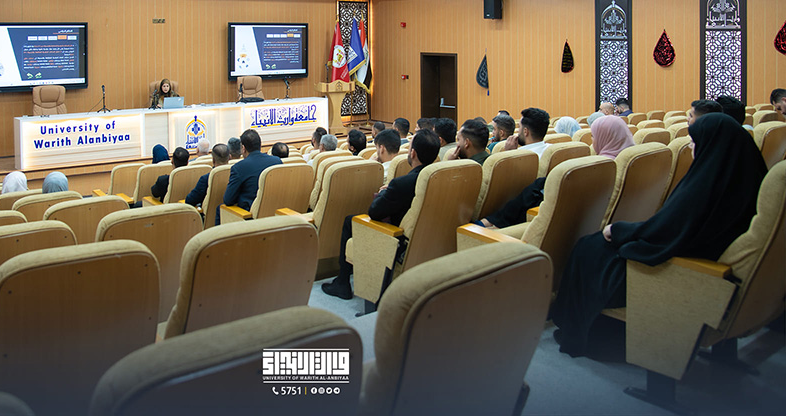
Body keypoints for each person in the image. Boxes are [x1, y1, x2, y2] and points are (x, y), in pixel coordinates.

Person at [552, 114, 767, 357]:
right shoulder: (743, 175)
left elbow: (670, 228)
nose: (691, 147)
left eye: (695, 141)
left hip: (679, 268)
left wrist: (620, 230)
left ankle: (581, 333)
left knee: (588, 248)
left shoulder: (707, 185)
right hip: (700, 254)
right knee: (592, 246)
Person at [321, 129, 441, 300]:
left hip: (395, 237)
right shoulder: (439, 177)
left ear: (413, 153)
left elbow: (374, 212)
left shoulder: (401, 184)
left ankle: (342, 282)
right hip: (426, 236)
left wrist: (384, 193)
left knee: (350, 221)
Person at [478, 114, 635, 230]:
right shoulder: (630, 160)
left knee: (536, 189)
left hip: (574, 211)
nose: (593, 142)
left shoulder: (605, 164)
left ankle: (490, 222)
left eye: (594, 136)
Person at [218, 129, 282, 224]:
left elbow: (228, 200)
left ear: (243, 148)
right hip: (275, 213)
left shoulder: (239, 167)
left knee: (220, 209)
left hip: (250, 217)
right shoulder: (277, 161)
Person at [186, 143, 230, 208]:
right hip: (229, 212)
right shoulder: (235, 175)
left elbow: (190, 200)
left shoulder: (205, 179)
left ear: (213, 160)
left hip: (207, 214)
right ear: (229, 158)